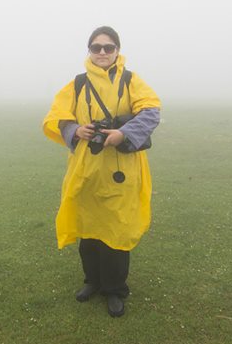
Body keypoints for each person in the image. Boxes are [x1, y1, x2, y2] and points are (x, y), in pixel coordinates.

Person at [42, 26, 161, 317]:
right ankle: (92, 281)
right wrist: (75, 129)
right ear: (90, 51)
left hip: (122, 172)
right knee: (88, 230)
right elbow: (57, 117)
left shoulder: (131, 81)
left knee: (117, 231)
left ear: (117, 50)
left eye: (109, 47)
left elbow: (151, 111)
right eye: (97, 47)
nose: (103, 52)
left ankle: (115, 290)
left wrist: (123, 133)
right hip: (87, 170)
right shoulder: (78, 84)